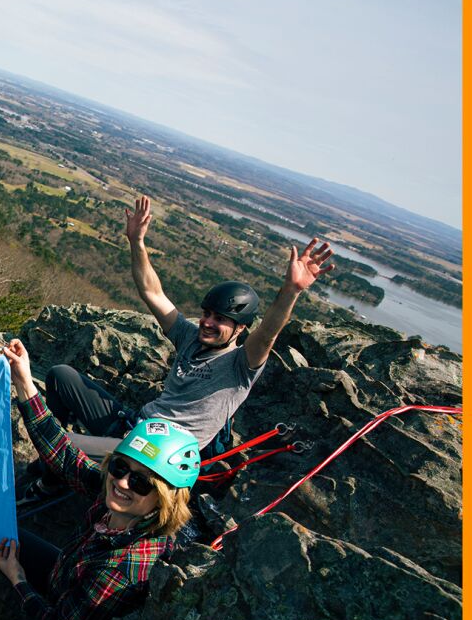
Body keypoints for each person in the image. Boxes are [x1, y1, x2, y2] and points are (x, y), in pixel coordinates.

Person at [21, 194, 333, 503]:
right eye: (207, 313)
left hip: (158, 453)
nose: (208, 323)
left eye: (220, 319)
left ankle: (49, 481)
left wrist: (291, 290)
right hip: (135, 424)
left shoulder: (241, 365)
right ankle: (64, 468)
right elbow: (151, 291)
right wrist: (137, 242)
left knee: (61, 443)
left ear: (240, 329)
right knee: (61, 375)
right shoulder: (189, 337)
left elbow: (267, 334)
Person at [0, 339, 199, 620]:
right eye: (119, 466)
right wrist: (24, 381)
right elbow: (64, 457)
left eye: (141, 481)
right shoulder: (120, 503)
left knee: (6, 550)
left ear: (165, 499)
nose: (122, 482)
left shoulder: (123, 568)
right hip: (69, 574)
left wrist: (17, 578)